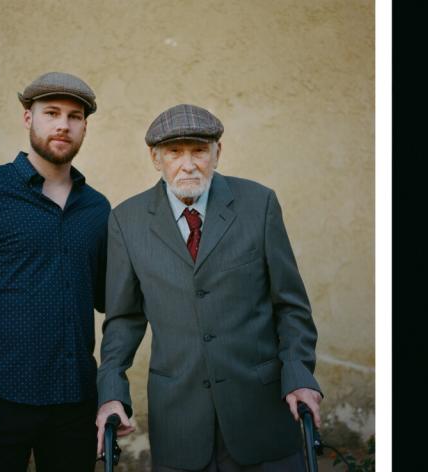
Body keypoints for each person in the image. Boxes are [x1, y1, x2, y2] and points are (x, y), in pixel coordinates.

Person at [95, 104, 322, 471]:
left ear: (218, 152)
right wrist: (111, 393)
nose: (188, 164)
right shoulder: (126, 220)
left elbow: (290, 305)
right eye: (174, 152)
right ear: (155, 158)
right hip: (179, 421)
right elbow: (123, 319)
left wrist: (299, 376)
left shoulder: (258, 203)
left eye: (199, 150)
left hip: (262, 412)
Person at [0, 72, 109, 471]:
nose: (63, 124)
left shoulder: (97, 209)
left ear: (84, 127)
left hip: (75, 404)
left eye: (75, 116)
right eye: (51, 113)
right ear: (28, 119)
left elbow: (110, 299)